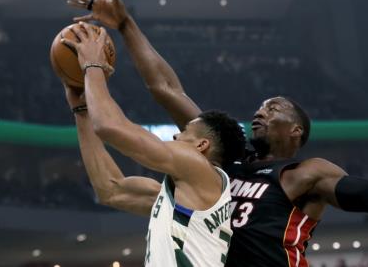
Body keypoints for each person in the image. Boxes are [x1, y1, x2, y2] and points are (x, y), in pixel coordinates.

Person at [67, 0, 368, 267]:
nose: (261, 111)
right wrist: (126, 25)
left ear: (296, 130)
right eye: (261, 107)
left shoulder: (305, 173)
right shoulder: (222, 160)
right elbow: (165, 87)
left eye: (274, 108)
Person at [60, 22, 246, 267]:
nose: (175, 138)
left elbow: (109, 126)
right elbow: (111, 190)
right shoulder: (184, 198)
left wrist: (92, 65)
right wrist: (81, 111)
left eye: (184, 133)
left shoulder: (200, 168)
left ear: (202, 146)